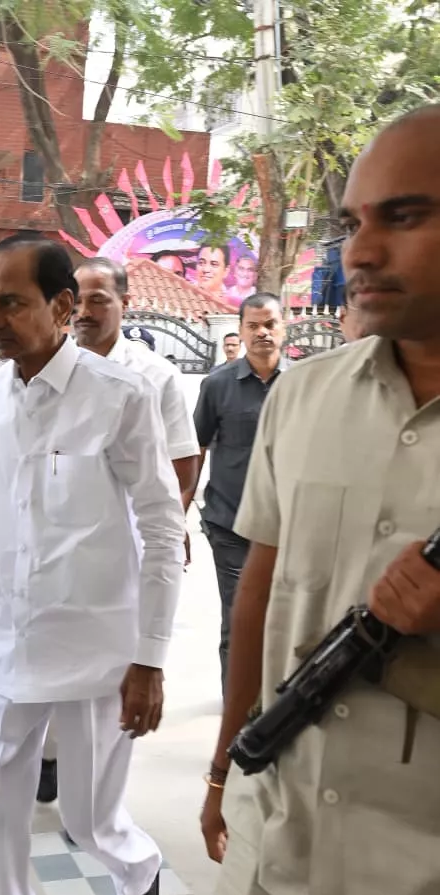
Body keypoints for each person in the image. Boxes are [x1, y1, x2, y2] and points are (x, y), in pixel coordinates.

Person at [186, 105, 440, 895]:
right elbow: (261, 583)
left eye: (405, 216)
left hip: (432, 879)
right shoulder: (304, 394)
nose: (360, 250)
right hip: (282, 826)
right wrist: (224, 760)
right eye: (351, 222)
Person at [0, 233, 185, 895]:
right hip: (9, 645)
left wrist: (150, 656)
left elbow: (162, 529)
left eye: (10, 302)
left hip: (96, 651)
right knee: (1, 821)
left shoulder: (119, 397)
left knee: (86, 820)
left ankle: (137, 868)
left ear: (60, 307)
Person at [31, 258, 199, 805]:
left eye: (98, 299)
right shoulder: (49, 369)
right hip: (58, 543)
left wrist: (167, 527)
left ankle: (95, 794)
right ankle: (51, 756)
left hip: (125, 551)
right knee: (53, 654)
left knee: (109, 673)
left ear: (126, 304)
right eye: (76, 299)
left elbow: (183, 465)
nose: (83, 310)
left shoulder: (155, 376)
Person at [188, 293, 286, 694]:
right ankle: (238, 710)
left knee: (283, 620)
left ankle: (274, 706)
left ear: (284, 327)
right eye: (253, 326)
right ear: (241, 331)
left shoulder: (303, 384)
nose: (263, 333)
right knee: (240, 617)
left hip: (289, 528)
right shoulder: (217, 385)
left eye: (270, 324)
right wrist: (177, 514)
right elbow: (196, 448)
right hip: (231, 524)